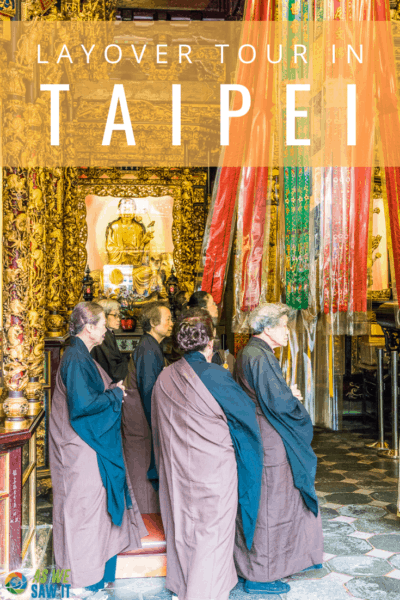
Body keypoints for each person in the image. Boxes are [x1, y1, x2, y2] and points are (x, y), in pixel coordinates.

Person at [152, 309, 264, 600]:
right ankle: (205, 592)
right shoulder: (215, 375)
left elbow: (160, 425)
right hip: (213, 470)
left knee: (183, 527)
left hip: (178, 469)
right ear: (209, 343)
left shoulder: (165, 376)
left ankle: (183, 585)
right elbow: (244, 418)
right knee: (212, 532)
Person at [49, 302, 147, 593]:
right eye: (103, 324)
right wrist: (115, 394)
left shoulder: (81, 356)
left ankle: (95, 575)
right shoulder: (76, 359)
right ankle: (83, 580)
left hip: (87, 446)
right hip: (81, 449)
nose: (108, 328)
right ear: (89, 328)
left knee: (94, 512)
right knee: (84, 513)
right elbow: (84, 407)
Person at [234, 302, 323, 596]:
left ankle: (269, 567)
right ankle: (260, 576)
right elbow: (279, 403)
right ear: (269, 328)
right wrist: (292, 397)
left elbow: (271, 394)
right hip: (268, 440)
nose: (288, 331)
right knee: (271, 507)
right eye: (284, 326)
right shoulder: (258, 355)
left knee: (275, 502)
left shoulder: (255, 352)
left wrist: (285, 392)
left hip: (263, 435)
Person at [122, 301, 173, 514]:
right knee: (142, 468)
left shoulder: (151, 346)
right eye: (168, 319)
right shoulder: (148, 350)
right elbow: (149, 391)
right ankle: (144, 523)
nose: (172, 323)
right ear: (153, 323)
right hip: (140, 421)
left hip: (139, 418)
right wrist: (159, 423)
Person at [187, 291, 235, 372]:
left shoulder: (211, 328)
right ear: (203, 310)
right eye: (213, 304)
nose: (216, 307)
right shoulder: (195, 332)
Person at [90, 298, 129, 383]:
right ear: (104, 316)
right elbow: (112, 373)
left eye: (119, 315)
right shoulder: (102, 337)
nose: (119, 319)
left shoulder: (109, 333)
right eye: (115, 315)